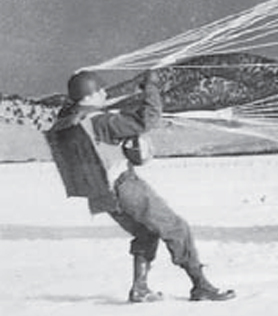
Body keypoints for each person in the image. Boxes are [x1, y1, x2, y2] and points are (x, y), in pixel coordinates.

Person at [44, 68, 235, 303]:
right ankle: (200, 285)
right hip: (125, 187)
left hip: (103, 195)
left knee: (146, 233)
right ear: (89, 95)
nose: (105, 92)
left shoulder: (71, 120)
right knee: (176, 228)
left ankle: (140, 288)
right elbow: (149, 119)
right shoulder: (101, 122)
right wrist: (151, 88)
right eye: (100, 90)